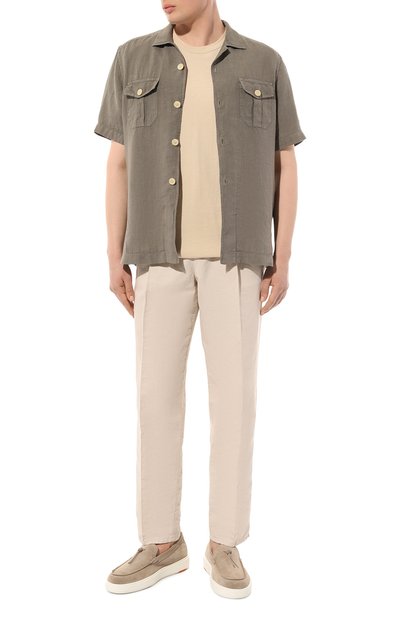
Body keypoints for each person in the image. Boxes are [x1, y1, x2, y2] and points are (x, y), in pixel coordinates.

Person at [93, 0, 306, 600]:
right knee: (155, 398)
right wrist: (113, 254)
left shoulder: (263, 62)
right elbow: (118, 163)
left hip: (237, 257)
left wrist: (283, 255)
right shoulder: (132, 59)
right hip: (157, 254)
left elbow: (284, 163)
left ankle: (224, 542)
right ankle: (162, 543)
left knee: (234, 400)